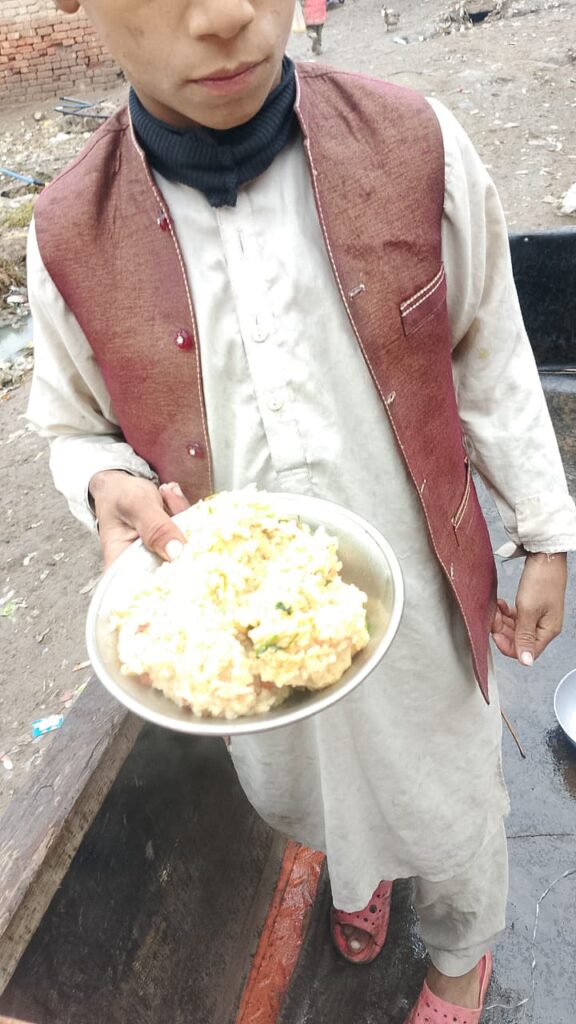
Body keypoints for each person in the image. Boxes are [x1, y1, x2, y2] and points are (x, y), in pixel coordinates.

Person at [27, 2, 576, 1021]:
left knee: (450, 795)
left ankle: (459, 958)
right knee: (306, 788)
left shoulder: (417, 146)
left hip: (422, 589)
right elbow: (74, 429)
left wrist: (546, 531)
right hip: (246, 629)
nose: (228, 14)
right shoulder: (67, 234)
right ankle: (360, 877)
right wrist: (104, 480)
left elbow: (491, 352)